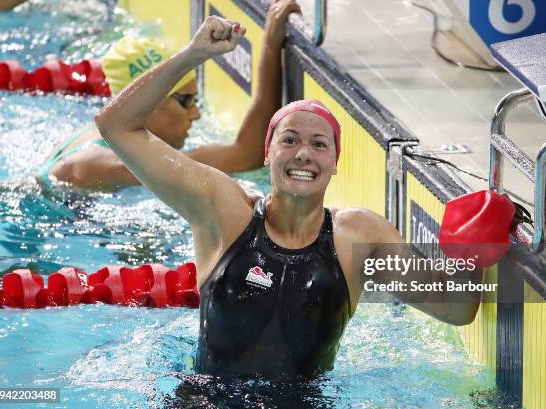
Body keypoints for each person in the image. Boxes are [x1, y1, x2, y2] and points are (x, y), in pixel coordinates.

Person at [95, 15, 484, 379]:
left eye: (319, 144)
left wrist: (473, 246)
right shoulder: (224, 210)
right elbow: (117, 126)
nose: (303, 154)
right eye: (290, 140)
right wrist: (194, 54)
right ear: (268, 154)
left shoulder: (357, 237)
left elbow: (455, 307)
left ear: (335, 163)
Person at [39, 0, 300, 191]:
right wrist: (269, 45)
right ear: (148, 105)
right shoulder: (100, 164)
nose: (196, 114)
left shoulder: (99, 137)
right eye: (186, 101)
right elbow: (246, 155)